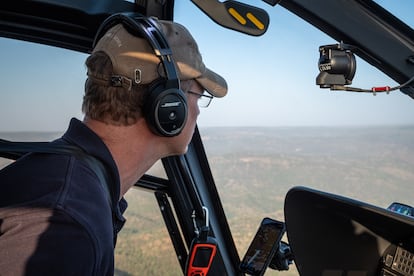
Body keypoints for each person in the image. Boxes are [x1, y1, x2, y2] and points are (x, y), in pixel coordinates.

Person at [0, 15, 227, 275]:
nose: (198, 112)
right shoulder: (65, 225)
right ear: (168, 106)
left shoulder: (69, 180)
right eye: (199, 95)